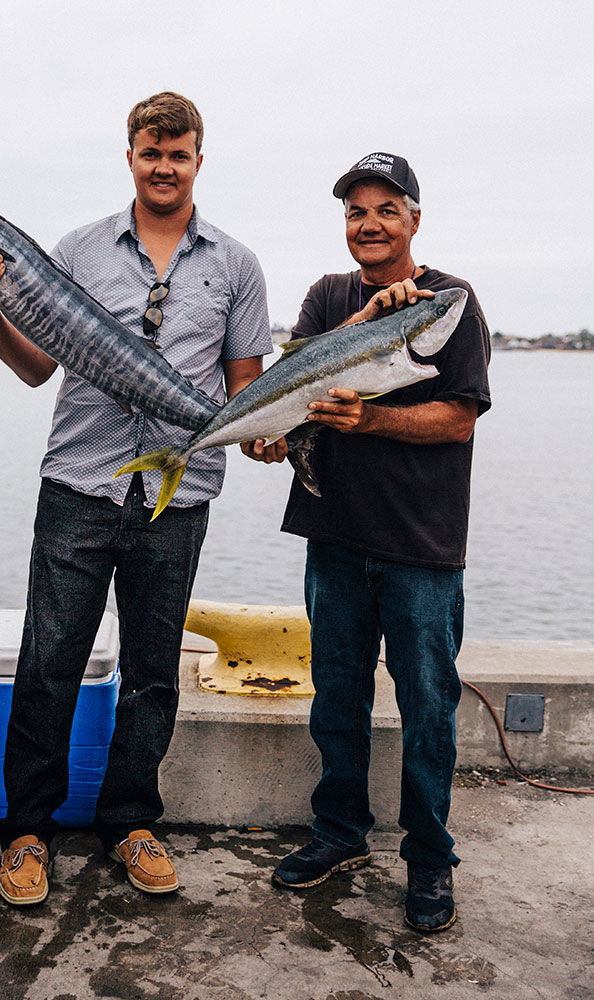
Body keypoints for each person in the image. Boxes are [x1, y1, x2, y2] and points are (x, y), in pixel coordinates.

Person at [0, 92, 272, 904]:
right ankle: (27, 832)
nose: (165, 166)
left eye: (180, 154)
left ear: (200, 159)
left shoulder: (236, 265)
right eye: (151, 152)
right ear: (129, 154)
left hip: (179, 494)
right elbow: (33, 368)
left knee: (154, 674)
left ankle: (130, 821)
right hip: (79, 486)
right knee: (48, 665)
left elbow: (246, 392)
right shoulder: (75, 251)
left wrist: (275, 435)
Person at [243, 152, 491, 932]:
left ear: (415, 217)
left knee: (428, 708)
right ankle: (339, 835)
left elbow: (459, 417)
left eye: (387, 208)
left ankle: (428, 861)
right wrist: (268, 440)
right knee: (336, 700)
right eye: (356, 211)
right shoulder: (326, 298)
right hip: (335, 535)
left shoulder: (451, 304)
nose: (370, 223)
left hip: (421, 545)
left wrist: (374, 418)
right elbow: (295, 386)